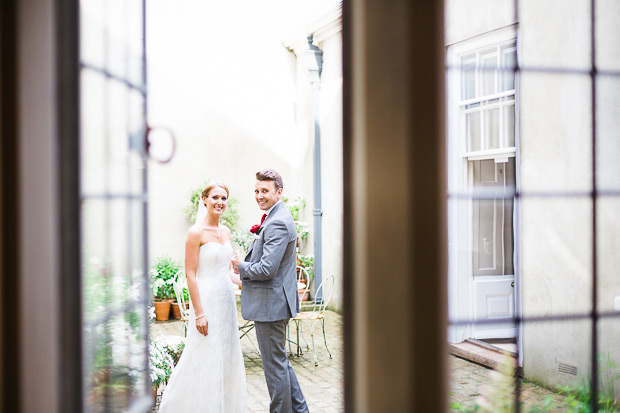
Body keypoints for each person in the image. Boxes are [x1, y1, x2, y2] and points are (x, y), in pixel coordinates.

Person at [159, 183, 247, 412]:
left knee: (226, 352)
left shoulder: (226, 231)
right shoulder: (195, 233)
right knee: (204, 353)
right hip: (206, 301)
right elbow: (190, 273)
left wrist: (244, 276)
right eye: (215, 197)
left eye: (224, 198)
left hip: (226, 300)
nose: (220, 202)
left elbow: (226, 271)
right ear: (205, 200)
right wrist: (199, 313)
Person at [231, 170, 309, 413]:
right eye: (256, 191)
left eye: (265, 191)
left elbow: (266, 268)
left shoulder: (277, 221)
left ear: (279, 192)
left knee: (274, 367)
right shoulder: (276, 215)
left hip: (271, 305)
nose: (259, 196)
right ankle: (301, 410)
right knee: (280, 363)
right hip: (274, 302)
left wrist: (239, 266)